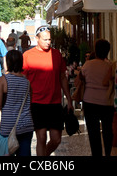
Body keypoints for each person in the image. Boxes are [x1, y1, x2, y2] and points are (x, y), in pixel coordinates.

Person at [23, 25, 73, 156]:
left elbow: (62, 77)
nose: (48, 42)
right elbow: (23, 79)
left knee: (56, 139)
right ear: (36, 38)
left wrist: (69, 98)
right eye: (45, 39)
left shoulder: (56, 55)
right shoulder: (28, 55)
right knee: (41, 138)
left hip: (55, 102)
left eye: (49, 40)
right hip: (36, 103)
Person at [0, 50, 34, 156]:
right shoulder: (27, 83)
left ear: (8, 63)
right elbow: (29, 104)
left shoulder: (2, 81)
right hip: (26, 126)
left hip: (8, 127)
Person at [80, 39, 114, 157]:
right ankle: (108, 153)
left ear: (96, 50)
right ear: (108, 51)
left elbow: (81, 79)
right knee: (107, 130)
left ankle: (97, 154)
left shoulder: (87, 64)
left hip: (89, 101)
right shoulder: (110, 65)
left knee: (93, 131)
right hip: (107, 102)